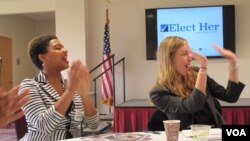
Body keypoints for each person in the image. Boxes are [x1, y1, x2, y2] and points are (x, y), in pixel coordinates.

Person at [149, 36, 245, 130]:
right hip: (188, 137)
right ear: (170, 58)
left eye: (190, 53)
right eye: (184, 54)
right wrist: (203, 67)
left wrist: (233, 61)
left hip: (215, 132)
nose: (190, 58)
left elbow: (230, 97)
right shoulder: (158, 93)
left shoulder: (196, 73)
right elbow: (193, 104)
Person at [18, 34, 100, 141]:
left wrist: (85, 95)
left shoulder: (69, 84)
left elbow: (94, 125)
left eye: (63, 47)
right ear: (43, 57)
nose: (65, 50)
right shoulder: (29, 86)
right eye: (58, 48)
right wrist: (70, 91)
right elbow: (43, 126)